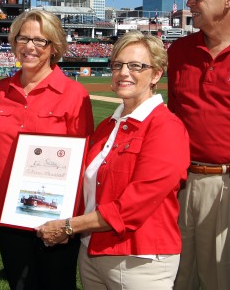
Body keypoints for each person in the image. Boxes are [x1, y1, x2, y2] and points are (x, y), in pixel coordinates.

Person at [36, 31, 190, 289]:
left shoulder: (166, 128)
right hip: (92, 251)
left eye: (136, 66)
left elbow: (133, 206)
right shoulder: (108, 125)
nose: (123, 72)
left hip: (139, 259)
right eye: (117, 65)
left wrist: (68, 226)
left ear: (156, 74)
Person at [0, 9, 94, 290]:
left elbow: (82, 162)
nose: (30, 47)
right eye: (23, 38)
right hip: (8, 211)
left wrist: (70, 222)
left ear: (54, 47)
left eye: (40, 40)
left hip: (54, 214)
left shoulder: (74, 94)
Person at [168, 0, 230, 290]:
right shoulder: (180, 50)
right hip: (182, 184)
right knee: (177, 279)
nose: (190, 4)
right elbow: (174, 118)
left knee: (226, 282)